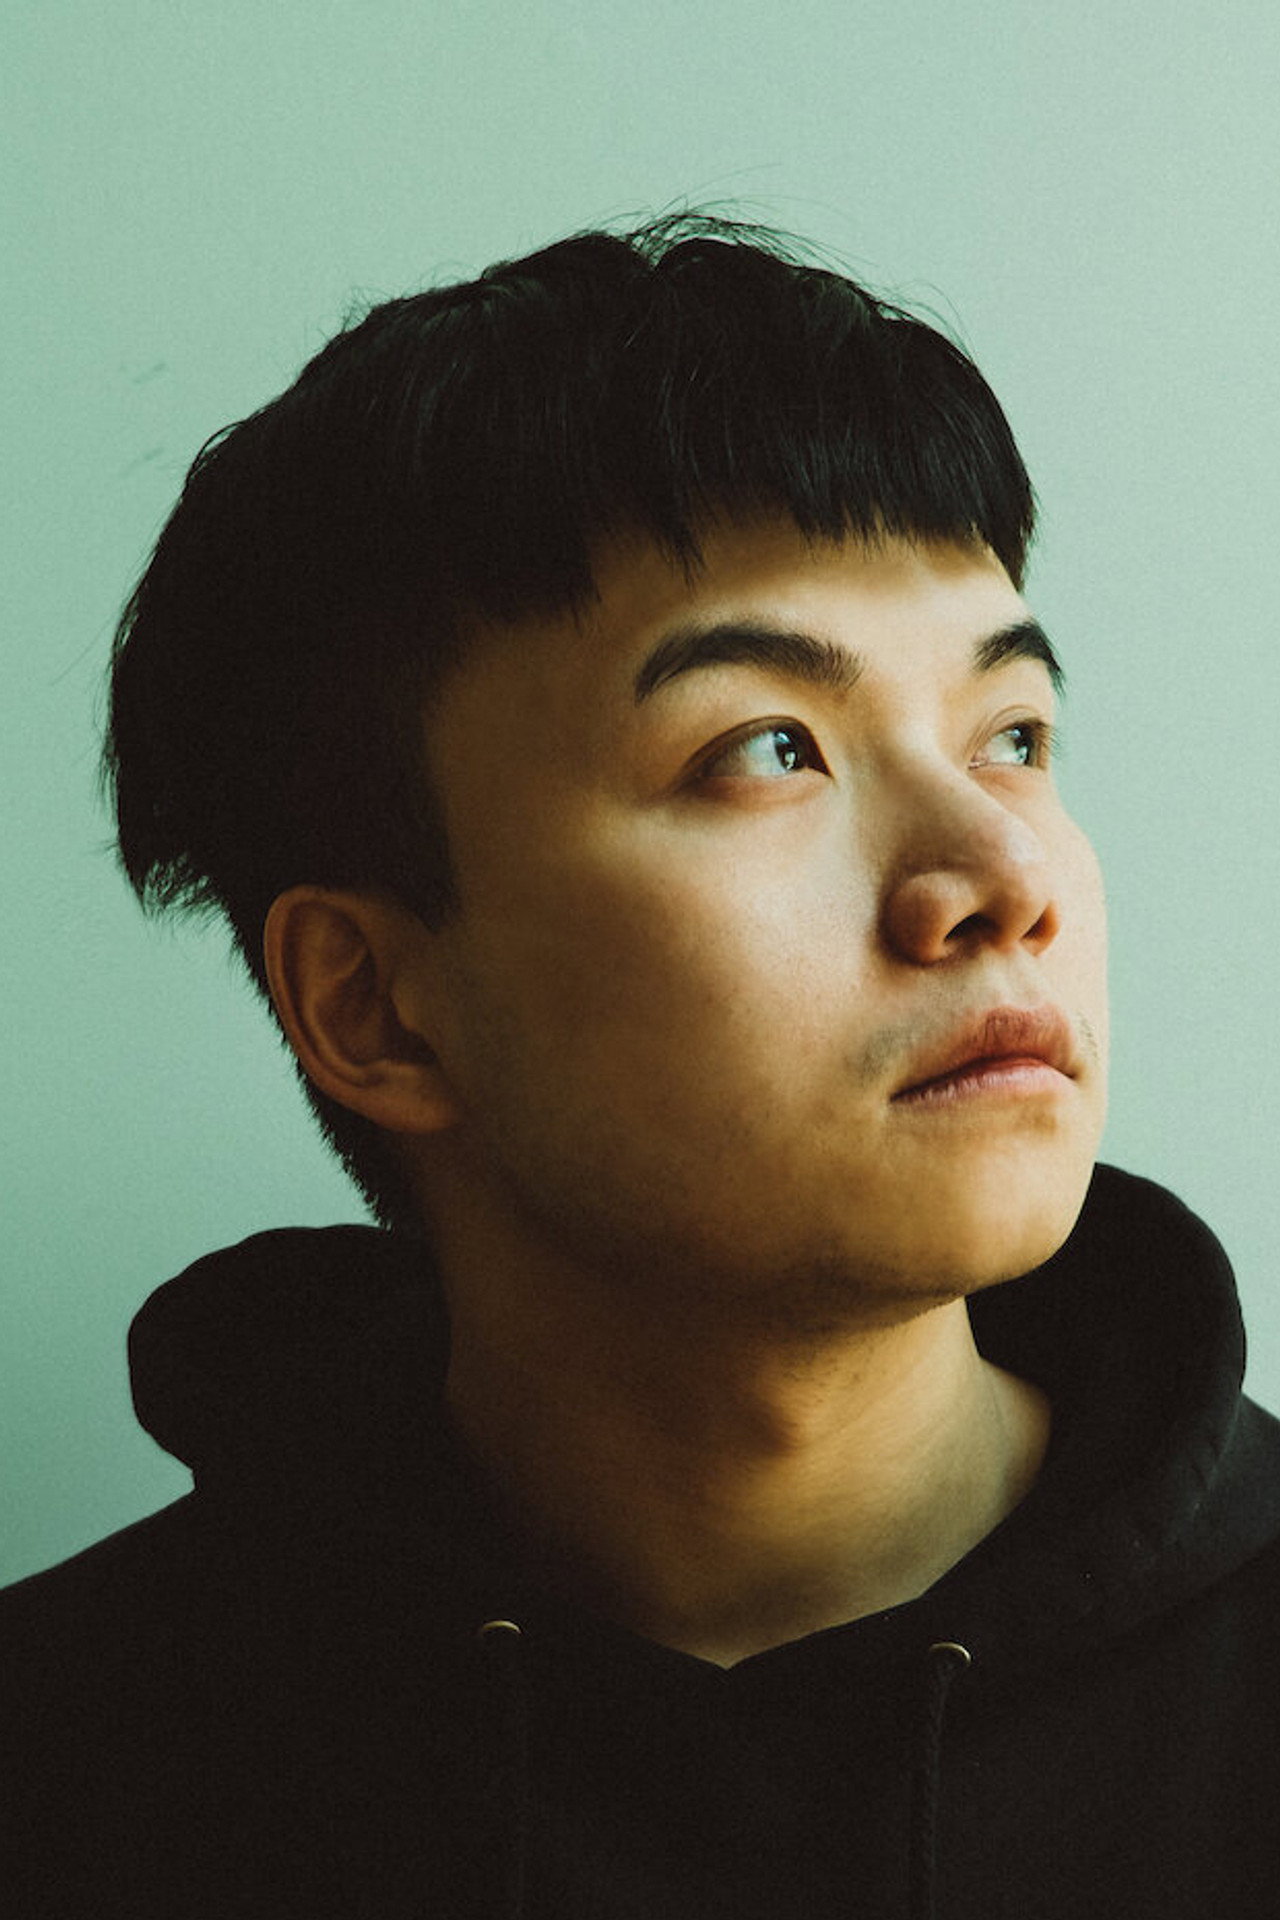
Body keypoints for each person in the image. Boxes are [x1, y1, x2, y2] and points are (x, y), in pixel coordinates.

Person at [3, 211, 1278, 1920]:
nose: (1002, 878)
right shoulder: (70, 1777)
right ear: (374, 1007)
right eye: (769, 748)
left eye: (1015, 737)